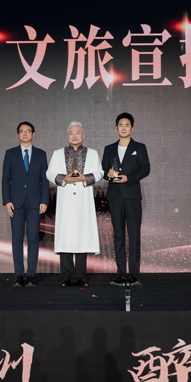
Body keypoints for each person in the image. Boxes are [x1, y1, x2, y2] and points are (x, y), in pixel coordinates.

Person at [47, 121, 103, 287]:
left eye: (78, 133)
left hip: (83, 200)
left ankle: (80, 276)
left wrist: (85, 177)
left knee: (82, 237)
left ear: (83, 136)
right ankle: (67, 276)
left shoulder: (92, 153)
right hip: (65, 200)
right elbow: (49, 172)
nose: (74, 135)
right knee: (65, 237)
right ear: (67, 136)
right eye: (71, 133)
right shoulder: (58, 153)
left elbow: (100, 172)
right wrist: (63, 178)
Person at [102, 112, 150, 287]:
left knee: (134, 234)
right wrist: (108, 174)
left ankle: (134, 274)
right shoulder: (109, 149)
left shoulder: (140, 147)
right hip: (115, 196)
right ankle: (121, 273)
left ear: (132, 128)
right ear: (116, 128)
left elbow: (145, 169)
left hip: (132, 196)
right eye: (120, 125)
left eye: (127, 125)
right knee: (118, 235)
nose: (123, 128)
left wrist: (128, 178)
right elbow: (104, 170)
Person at [2, 121, 49, 288]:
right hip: (16, 203)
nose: (25, 133)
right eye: (21, 131)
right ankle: (19, 275)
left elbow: (44, 180)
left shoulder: (41, 154)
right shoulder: (10, 153)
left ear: (33, 134)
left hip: (35, 203)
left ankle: (31, 275)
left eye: (28, 131)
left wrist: (44, 200)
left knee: (33, 239)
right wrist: (7, 200)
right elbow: (5, 179)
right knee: (16, 239)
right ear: (18, 135)